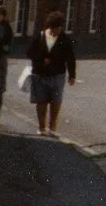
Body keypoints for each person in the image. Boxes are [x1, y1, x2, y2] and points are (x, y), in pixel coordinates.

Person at [26, 9, 77, 137]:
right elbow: (29, 52)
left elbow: (71, 58)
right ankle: (41, 127)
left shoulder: (65, 39)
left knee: (56, 102)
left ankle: (52, 127)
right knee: (41, 102)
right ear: (50, 27)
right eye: (55, 28)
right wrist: (41, 59)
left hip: (57, 75)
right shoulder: (40, 36)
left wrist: (72, 75)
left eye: (59, 28)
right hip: (40, 74)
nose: (57, 31)